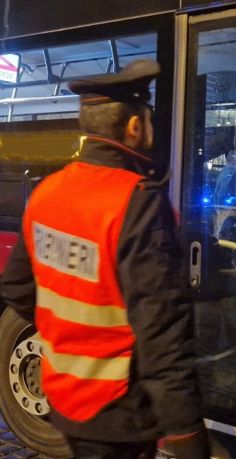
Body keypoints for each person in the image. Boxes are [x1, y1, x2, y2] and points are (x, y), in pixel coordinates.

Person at [1, 60, 210, 458]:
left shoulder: (47, 192)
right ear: (134, 127)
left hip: (64, 398)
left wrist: (72, 337)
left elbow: (16, 287)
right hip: (121, 412)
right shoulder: (137, 201)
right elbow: (163, 334)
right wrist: (187, 435)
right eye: (148, 121)